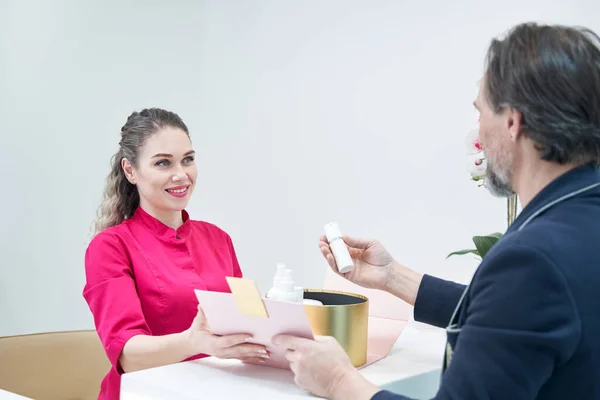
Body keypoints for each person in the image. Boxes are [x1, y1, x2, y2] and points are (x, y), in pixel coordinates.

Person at [274, 22, 600, 400]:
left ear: (512, 122)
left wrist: (337, 382)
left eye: (480, 112)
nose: (477, 129)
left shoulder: (533, 260)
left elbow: (523, 299)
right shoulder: (579, 224)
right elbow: (518, 318)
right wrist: (392, 276)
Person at [83, 108, 269, 400]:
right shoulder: (110, 247)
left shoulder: (219, 239)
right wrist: (194, 342)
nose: (181, 175)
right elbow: (126, 355)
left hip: (218, 391)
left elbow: (245, 318)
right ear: (130, 170)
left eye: (188, 160)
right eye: (163, 163)